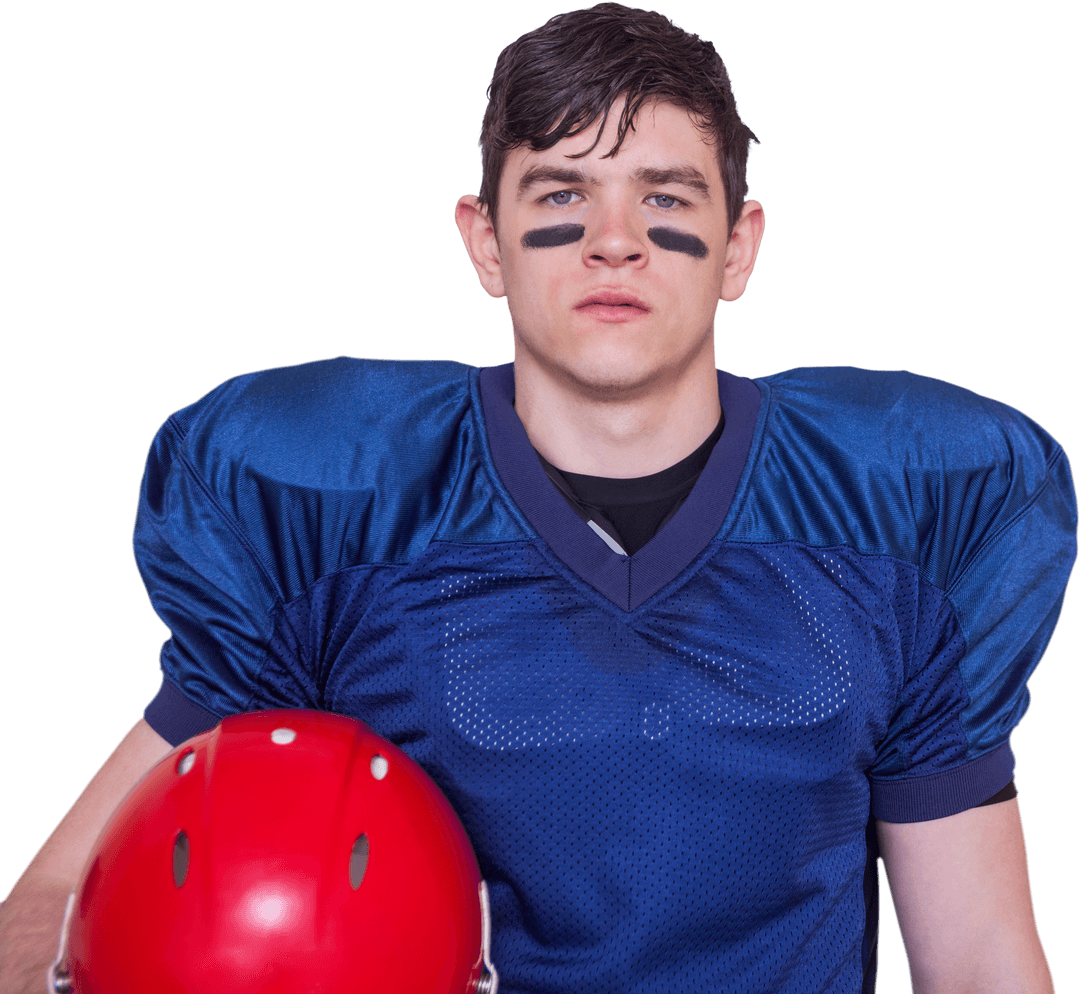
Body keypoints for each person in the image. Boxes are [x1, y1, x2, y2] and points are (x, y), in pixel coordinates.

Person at [1, 4, 1074, 992]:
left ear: (738, 248)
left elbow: (980, 955)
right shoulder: (342, 508)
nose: (617, 239)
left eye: (666, 197)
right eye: (564, 193)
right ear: (486, 241)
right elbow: (50, 904)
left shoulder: (895, 515)